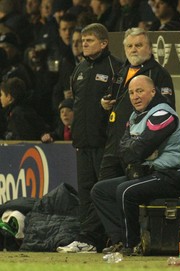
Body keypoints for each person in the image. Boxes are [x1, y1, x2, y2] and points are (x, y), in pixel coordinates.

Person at [91, 75, 180, 255]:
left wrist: (136, 149)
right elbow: (124, 150)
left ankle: (132, 244)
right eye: (131, 92)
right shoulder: (135, 116)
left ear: (153, 92)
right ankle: (120, 239)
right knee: (100, 191)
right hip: (146, 173)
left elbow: (139, 150)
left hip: (168, 176)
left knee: (125, 191)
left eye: (140, 91)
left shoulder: (162, 114)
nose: (135, 96)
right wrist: (137, 150)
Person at [56, 23, 122, 253]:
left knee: (103, 192)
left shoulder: (116, 68)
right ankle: (88, 239)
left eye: (89, 40)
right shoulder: (79, 69)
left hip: (105, 144)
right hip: (82, 143)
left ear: (104, 43)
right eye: (83, 40)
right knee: (85, 193)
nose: (84, 43)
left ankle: (114, 238)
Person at [99, 27, 175, 181]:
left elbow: (167, 111)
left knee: (129, 195)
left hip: (138, 149)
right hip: (114, 146)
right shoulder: (121, 72)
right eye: (129, 46)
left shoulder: (159, 74)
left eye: (138, 45)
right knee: (102, 190)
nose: (133, 50)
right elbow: (111, 99)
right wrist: (104, 103)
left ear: (150, 48)